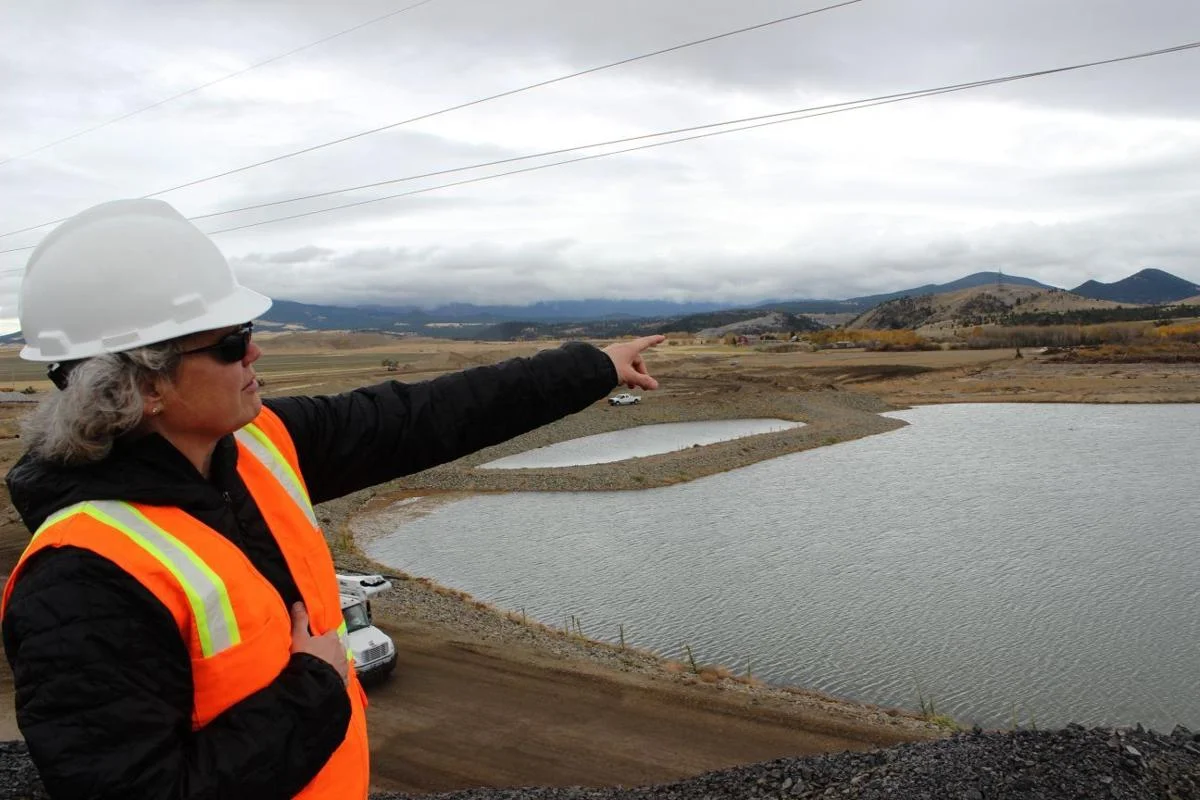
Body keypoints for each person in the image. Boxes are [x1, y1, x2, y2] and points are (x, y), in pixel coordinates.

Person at [0, 198, 663, 799]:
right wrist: (312, 690)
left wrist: (595, 367)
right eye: (231, 342)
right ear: (141, 387)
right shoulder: (81, 581)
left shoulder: (258, 440)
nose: (256, 350)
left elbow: (425, 415)